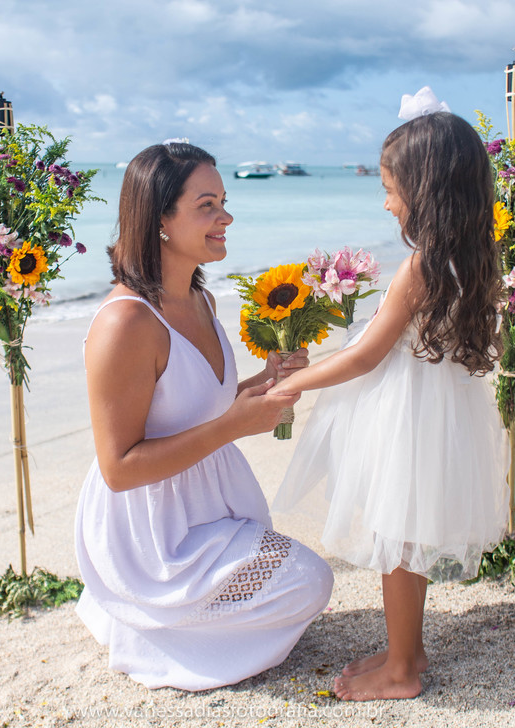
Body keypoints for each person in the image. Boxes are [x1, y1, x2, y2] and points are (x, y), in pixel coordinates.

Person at [74, 141, 334, 691]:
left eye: (224, 201)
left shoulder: (202, 301)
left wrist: (261, 384)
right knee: (311, 582)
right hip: (153, 531)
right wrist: (234, 425)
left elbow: (195, 404)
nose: (226, 217)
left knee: (306, 584)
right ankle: (145, 621)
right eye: (207, 205)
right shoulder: (125, 324)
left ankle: (167, 621)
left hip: (209, 504)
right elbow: (118, 467)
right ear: (159, 220)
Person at [270, 109, 509, 701]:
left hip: (406, 414)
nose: (385, 204)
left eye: (389, 188)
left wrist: (293, 385)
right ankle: (411, 646)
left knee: (396, 532)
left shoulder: (421, 266)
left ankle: (402, 670)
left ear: (424, 189)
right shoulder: (472, 254)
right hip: (438, 409)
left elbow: (366, 356)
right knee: (408, 526)